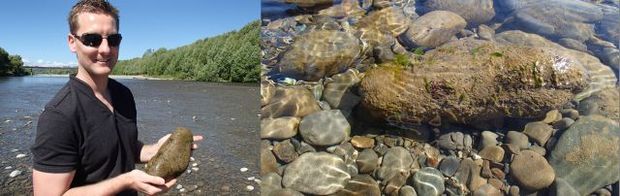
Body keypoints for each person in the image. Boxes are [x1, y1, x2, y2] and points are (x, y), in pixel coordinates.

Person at [30, 0, 203, 195]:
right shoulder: (60, 115)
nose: (105, 49)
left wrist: (155, 150)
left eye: (113, 40)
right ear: (72, 42)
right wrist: (125, 181)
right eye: (92, 39)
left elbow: (122, 150)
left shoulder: (123, 95)